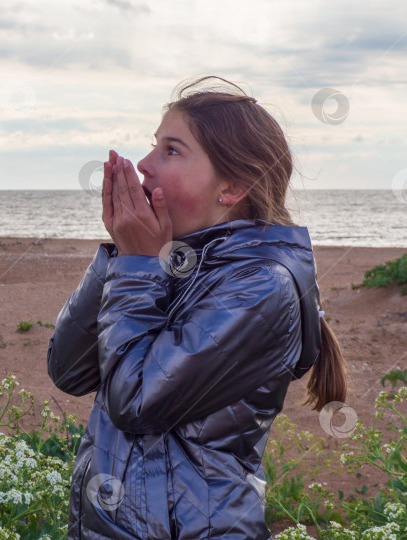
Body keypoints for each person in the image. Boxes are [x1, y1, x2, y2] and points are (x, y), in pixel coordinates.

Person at [46, 76, 348, 539]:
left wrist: (137, 262)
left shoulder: (262, 288)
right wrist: (123, 254)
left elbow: (137, 403)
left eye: (171, 150)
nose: (144, 164)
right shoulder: (166, 261)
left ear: (232, 187)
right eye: (153, 146)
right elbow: (69, 371)